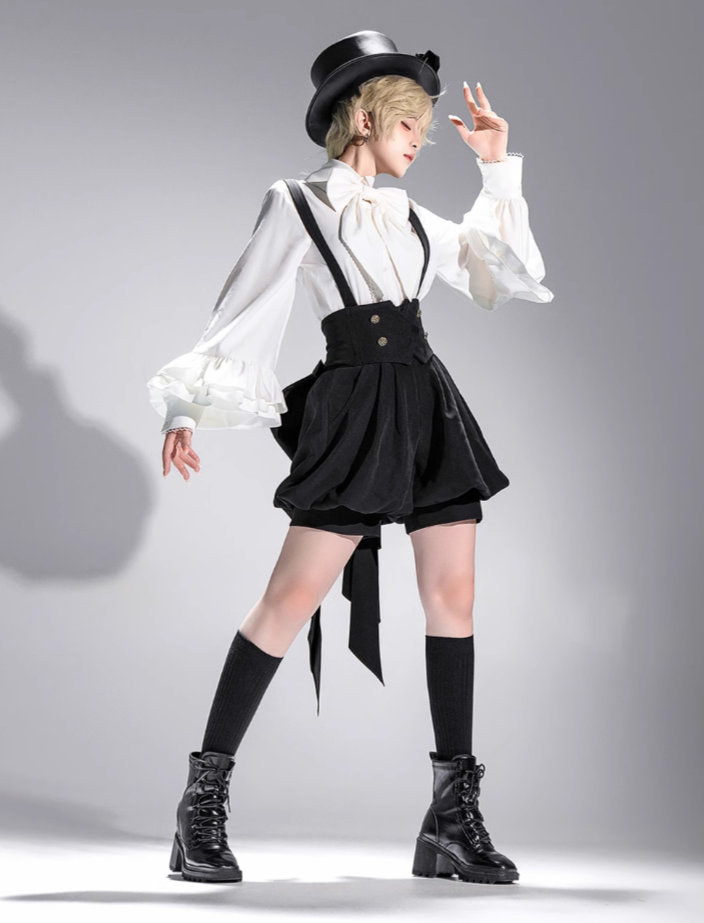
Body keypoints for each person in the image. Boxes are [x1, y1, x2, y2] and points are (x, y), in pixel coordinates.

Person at [147, 30, 554, 886]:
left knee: (454, 595)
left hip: (427, 402)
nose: (420, 142)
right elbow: (242, 306)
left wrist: (496, 169)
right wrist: (187, 405)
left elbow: (501, 273)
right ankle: (201, 805)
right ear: (364, 117)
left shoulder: (409, 216)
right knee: (290, 597)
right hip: (354, 408)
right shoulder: (296, 201)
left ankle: (450, 819)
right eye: (411, 125)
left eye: (426, 131)